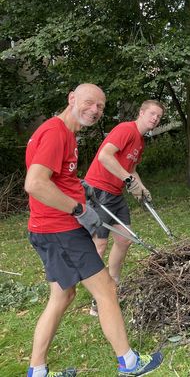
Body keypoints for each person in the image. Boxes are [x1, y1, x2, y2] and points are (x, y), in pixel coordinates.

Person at [24, 84, 163, 377]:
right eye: (89, 103)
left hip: (49, 228)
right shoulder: (56, 132)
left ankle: (37, 371)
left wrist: (79, 189)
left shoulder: (65, 134)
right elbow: (35, 183)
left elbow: (55, 178)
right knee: (107, 290)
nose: (95, 110)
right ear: (72, 99)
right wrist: (78, 210)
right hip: (60, 230)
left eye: (100, 106)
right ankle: (129, 362)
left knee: (62, 297)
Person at [83, 100, 163, 315]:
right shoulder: (125, 129)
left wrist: (141, 189)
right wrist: (128, 180)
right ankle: (98, 297)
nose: (155, 118)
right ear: (141, 112)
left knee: (124, 239)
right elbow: (105, 156)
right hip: (99, 191)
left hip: (116, 193)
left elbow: (132, 171)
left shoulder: (140, 142)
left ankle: (114, 284)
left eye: (159, 117)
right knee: (99, 245)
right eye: (152, 114)